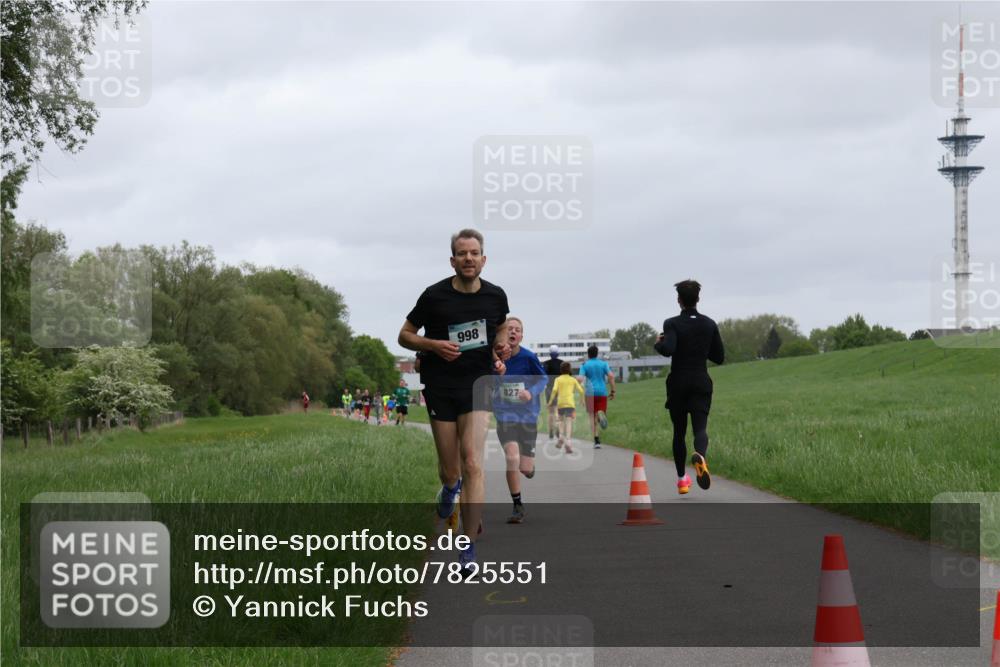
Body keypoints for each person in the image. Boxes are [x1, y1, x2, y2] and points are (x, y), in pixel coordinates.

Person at [398, 229, 509, 575]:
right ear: (452, 260)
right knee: (451, 470)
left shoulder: (495, 295)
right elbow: (404, 335)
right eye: (462, 254)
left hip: (478, 385)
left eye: (474, 253)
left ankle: (468, 545)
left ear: (483, 259)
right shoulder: (434, 296)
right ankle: (449, 489)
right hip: (441, 386)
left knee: (473, 462)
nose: (468, 259)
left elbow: (500, 327)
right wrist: (433, 345)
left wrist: (499, 350)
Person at [654, 279, 725, 495]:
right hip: (701, 381)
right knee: (700, 429)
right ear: (698, 299)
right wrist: (701, 346)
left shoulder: (671, 323)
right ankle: (700, 455)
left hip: (678, 382)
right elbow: (719, 357)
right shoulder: (709, 324)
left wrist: (658, 343)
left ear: (679, 300)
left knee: (679, 432)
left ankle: (682, 481)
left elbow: (669, 349)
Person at [491, 317, 547, 525]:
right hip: (504, 416)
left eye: (517, 330)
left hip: (527, 417)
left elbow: (543, 379)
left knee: (525, 468)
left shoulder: (529, 357)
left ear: (521, 336)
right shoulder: (494, 359)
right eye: (509, 329)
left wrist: (530, 392)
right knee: (512, 458)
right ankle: (517, 505)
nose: (513, 332)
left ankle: (529, 467)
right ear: (502, 334)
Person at [578, 345, 615, 448]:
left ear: (588, 354)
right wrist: (613, 391)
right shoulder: (603, 364)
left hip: (590, 393)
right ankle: (599, 414)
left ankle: (596, 440)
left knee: (591, 416)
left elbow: (580, 379)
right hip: (602, 392)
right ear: (597, 354)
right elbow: (611, 376)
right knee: (600, 412)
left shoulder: (584, 365)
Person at [547, 361, 584, 453]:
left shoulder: (558, 379)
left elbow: (554, 390)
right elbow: (581, 390)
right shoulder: (573, 379)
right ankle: (568, 442)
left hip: (561, 403)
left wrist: (550, 402)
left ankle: (561, 437)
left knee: (560, 421)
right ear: (570, 370)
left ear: (561, 370)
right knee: (569, 422)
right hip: (570, 404)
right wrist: (582, 400)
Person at [542, 345, 564, 441]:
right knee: (558, 411)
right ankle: (558, 428)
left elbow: (543, 376)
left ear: (550, 354)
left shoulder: (546, 364)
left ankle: (551, 430)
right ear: (558, 353)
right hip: (560, 389)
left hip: (549, 389)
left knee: (550, 412)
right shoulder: (562, 363)